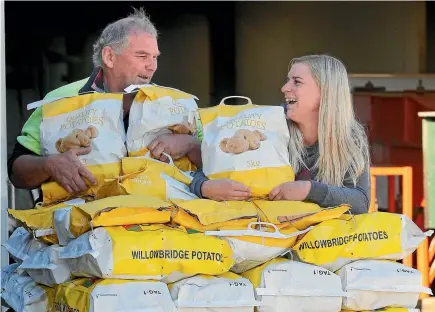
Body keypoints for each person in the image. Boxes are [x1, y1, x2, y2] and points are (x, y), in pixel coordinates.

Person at [8, 8, 200, 196]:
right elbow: (16, 171)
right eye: (142, 56)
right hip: (79, 223)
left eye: (155, 57)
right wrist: (49, 164)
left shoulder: (176, 104)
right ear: (109, 57)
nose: (152, 66)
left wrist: (191, 144)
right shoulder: (60, 100)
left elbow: (219, 164)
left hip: (159, 222)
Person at [190, 54, 370, 215]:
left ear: (326, 92)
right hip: (262, 233)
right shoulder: (270, 123)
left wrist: (308, 190)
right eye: (288, 80)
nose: (284, 88)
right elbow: (208, 169)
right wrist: (205, 187)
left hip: (317, 244)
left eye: (297, 82)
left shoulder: (351, 136)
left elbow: (361, 201)